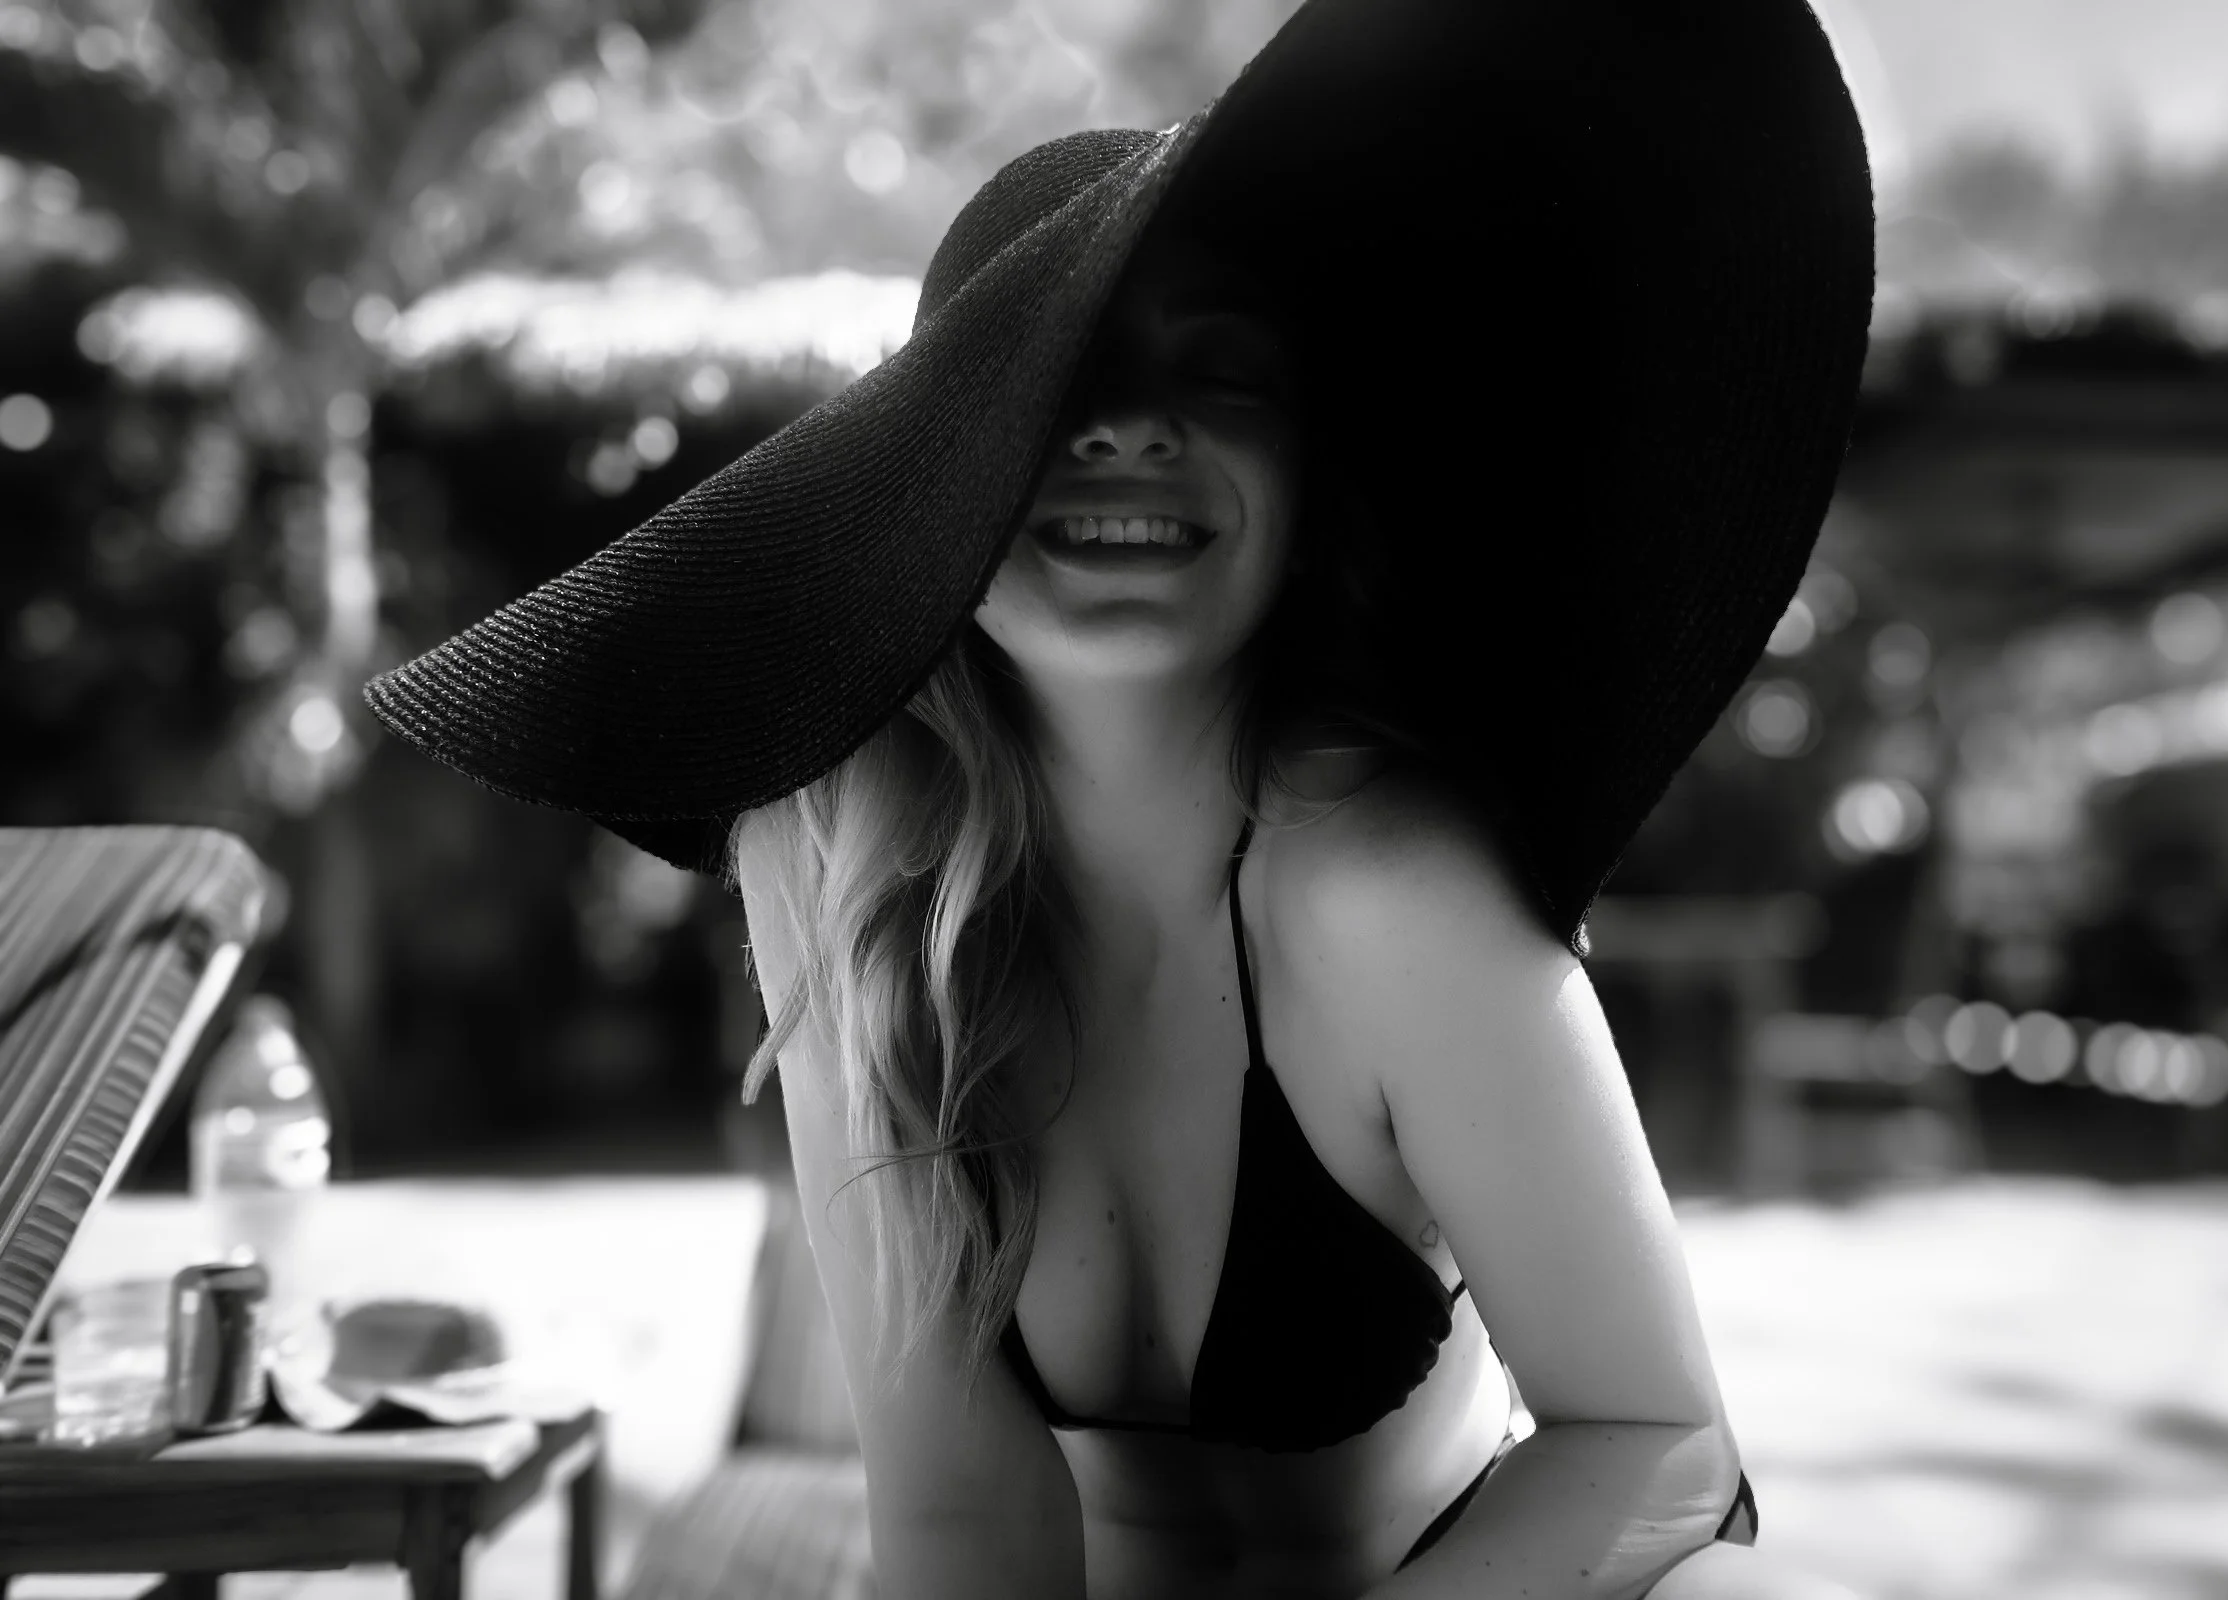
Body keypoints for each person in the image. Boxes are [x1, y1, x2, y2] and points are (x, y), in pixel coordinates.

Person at [367, 0, 1876, 1594]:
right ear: (928, 497)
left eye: (1220, 372)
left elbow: (1661, 1444)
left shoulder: (1386, 891)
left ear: (1306, 491)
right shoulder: (833, 863)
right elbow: (956, 1522)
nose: (1132, 424)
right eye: (1052, 386)